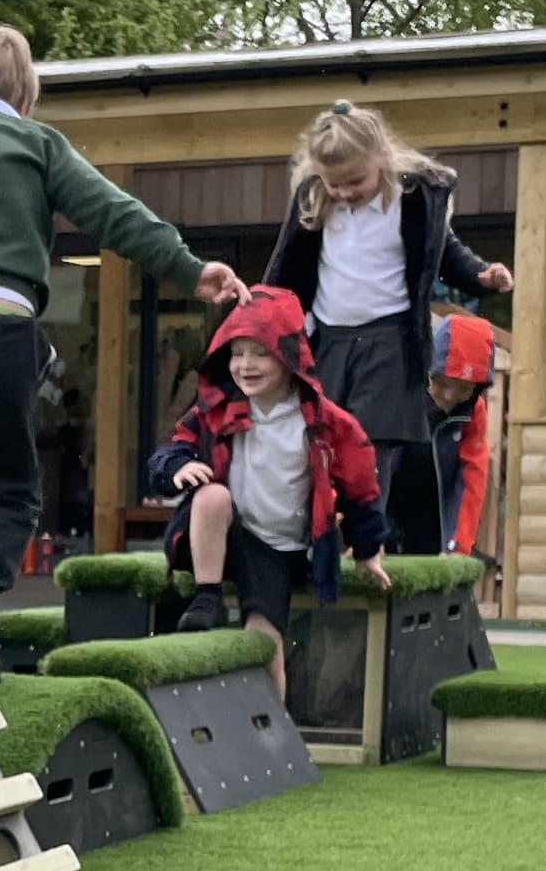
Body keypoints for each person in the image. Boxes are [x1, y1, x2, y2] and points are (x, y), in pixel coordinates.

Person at [0, 23, 243, 678]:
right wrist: (190, 270)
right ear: (24, 99)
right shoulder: (35, 142)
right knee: (8, 487)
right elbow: (112, 212)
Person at [258, 100, 511, 561]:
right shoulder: (316, 199)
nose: (346, 191)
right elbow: (286, 266)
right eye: (335, 183)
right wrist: (259, 316)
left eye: (356, 181)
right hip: (329, 337)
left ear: (382, 158)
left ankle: (366, 543)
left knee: (374, 442)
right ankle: (310, 538)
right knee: (318, 438)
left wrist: (479, 276)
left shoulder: (414, 199)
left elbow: (446, 253)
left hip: (391, 337)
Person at [148, 288, 390, 694]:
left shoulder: (327, 421)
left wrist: (368, 552)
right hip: (229, 536)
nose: (245, 365)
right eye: (237, 352)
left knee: (264, 642)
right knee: (210, 495)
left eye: (258, 353)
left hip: (284, 548)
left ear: (288, 355)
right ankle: (206, 595)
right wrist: (178, 466)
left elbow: (360, 488)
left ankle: (272, 738)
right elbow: (167, 454)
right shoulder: (215, 411)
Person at [426, 309, 501, 557]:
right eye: (443, 382)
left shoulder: (473, 411)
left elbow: (471, 479)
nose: (449, 396)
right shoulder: (400, 398)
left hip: (436, 519)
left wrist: (458, 545)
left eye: (463, 388)